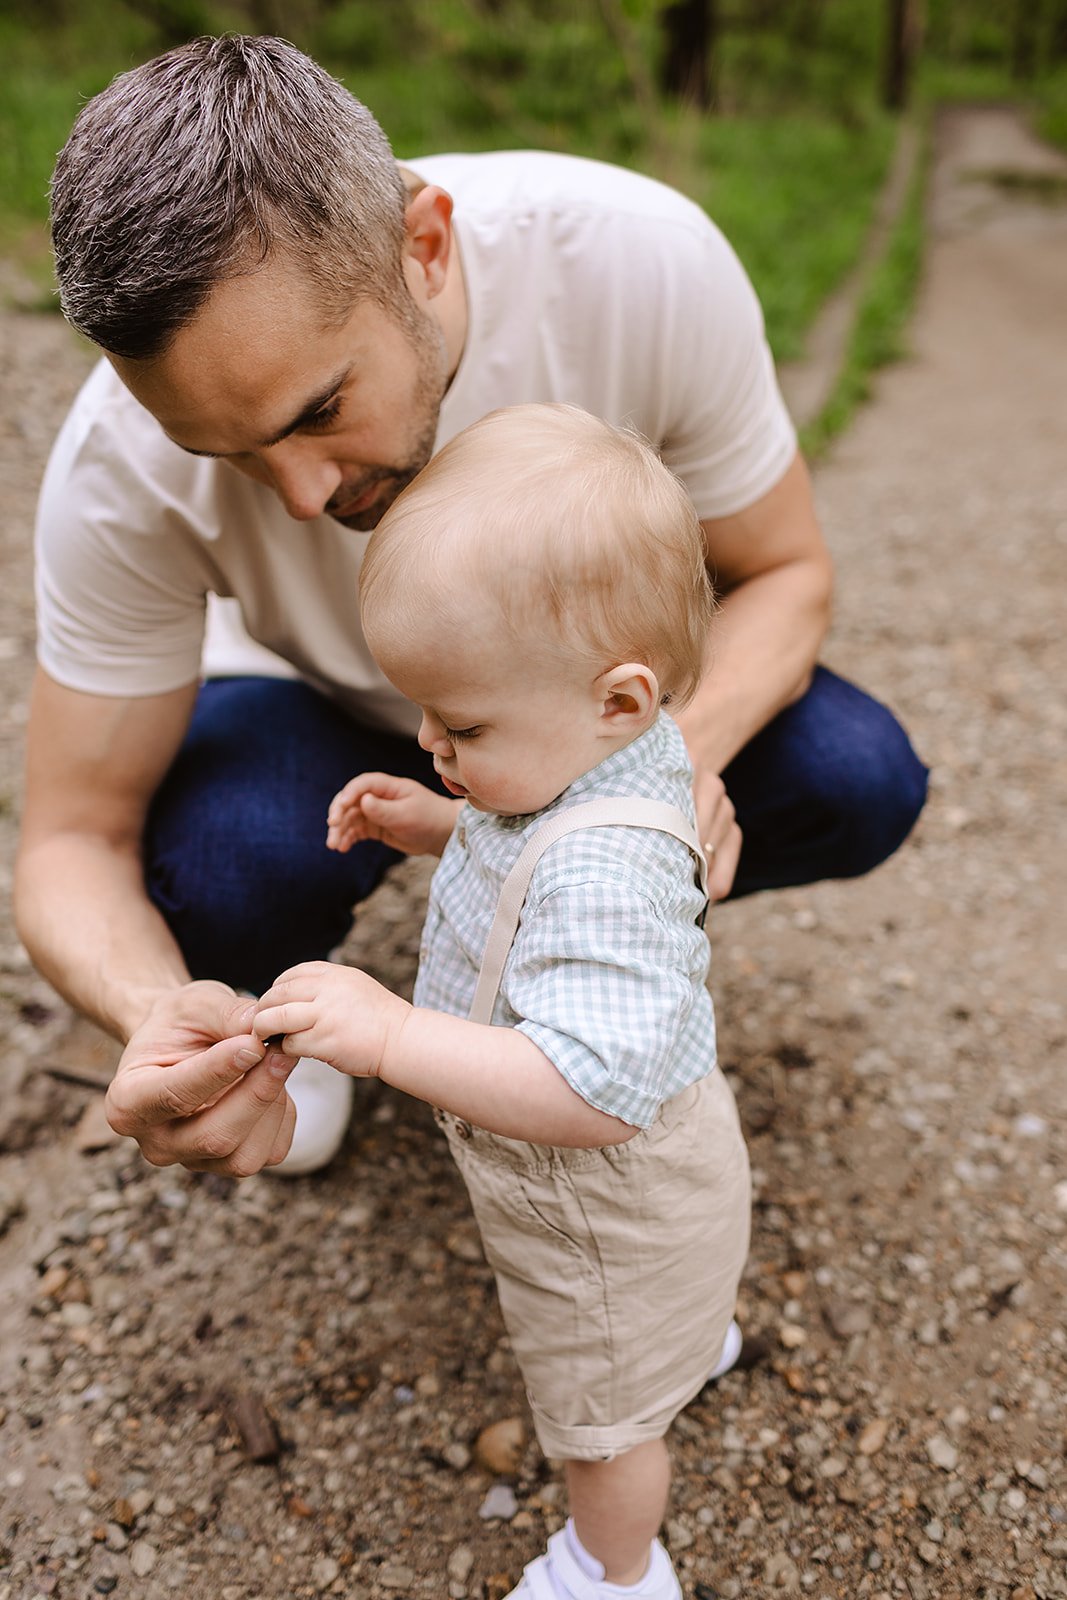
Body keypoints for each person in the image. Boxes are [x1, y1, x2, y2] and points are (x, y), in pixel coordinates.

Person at [16, 35, 928, 1177]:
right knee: (217, 867)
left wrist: (648, 778)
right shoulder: (116, 467)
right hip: (304, 703)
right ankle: (299, 1037)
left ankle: (567, 954)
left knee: (854, 774)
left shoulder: (637, 262)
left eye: (317, 409)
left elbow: (788, 574)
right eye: (228, 452)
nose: (300, 498)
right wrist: (150, 1013)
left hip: (571, 703)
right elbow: (69, 839)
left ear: (425, 246)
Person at [253, 403, 751, 1600]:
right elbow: (522, 832)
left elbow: (585, 1089)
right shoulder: (590, 753)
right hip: (662, 1182)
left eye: (462, 726)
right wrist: (440, 820)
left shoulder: (608, 871)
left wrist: (386, 1034)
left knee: (599, 1419)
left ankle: (611, 1568)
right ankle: (688, 1339)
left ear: (618, 700)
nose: (430, 739)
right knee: (654, 1320)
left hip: (601, 1204)